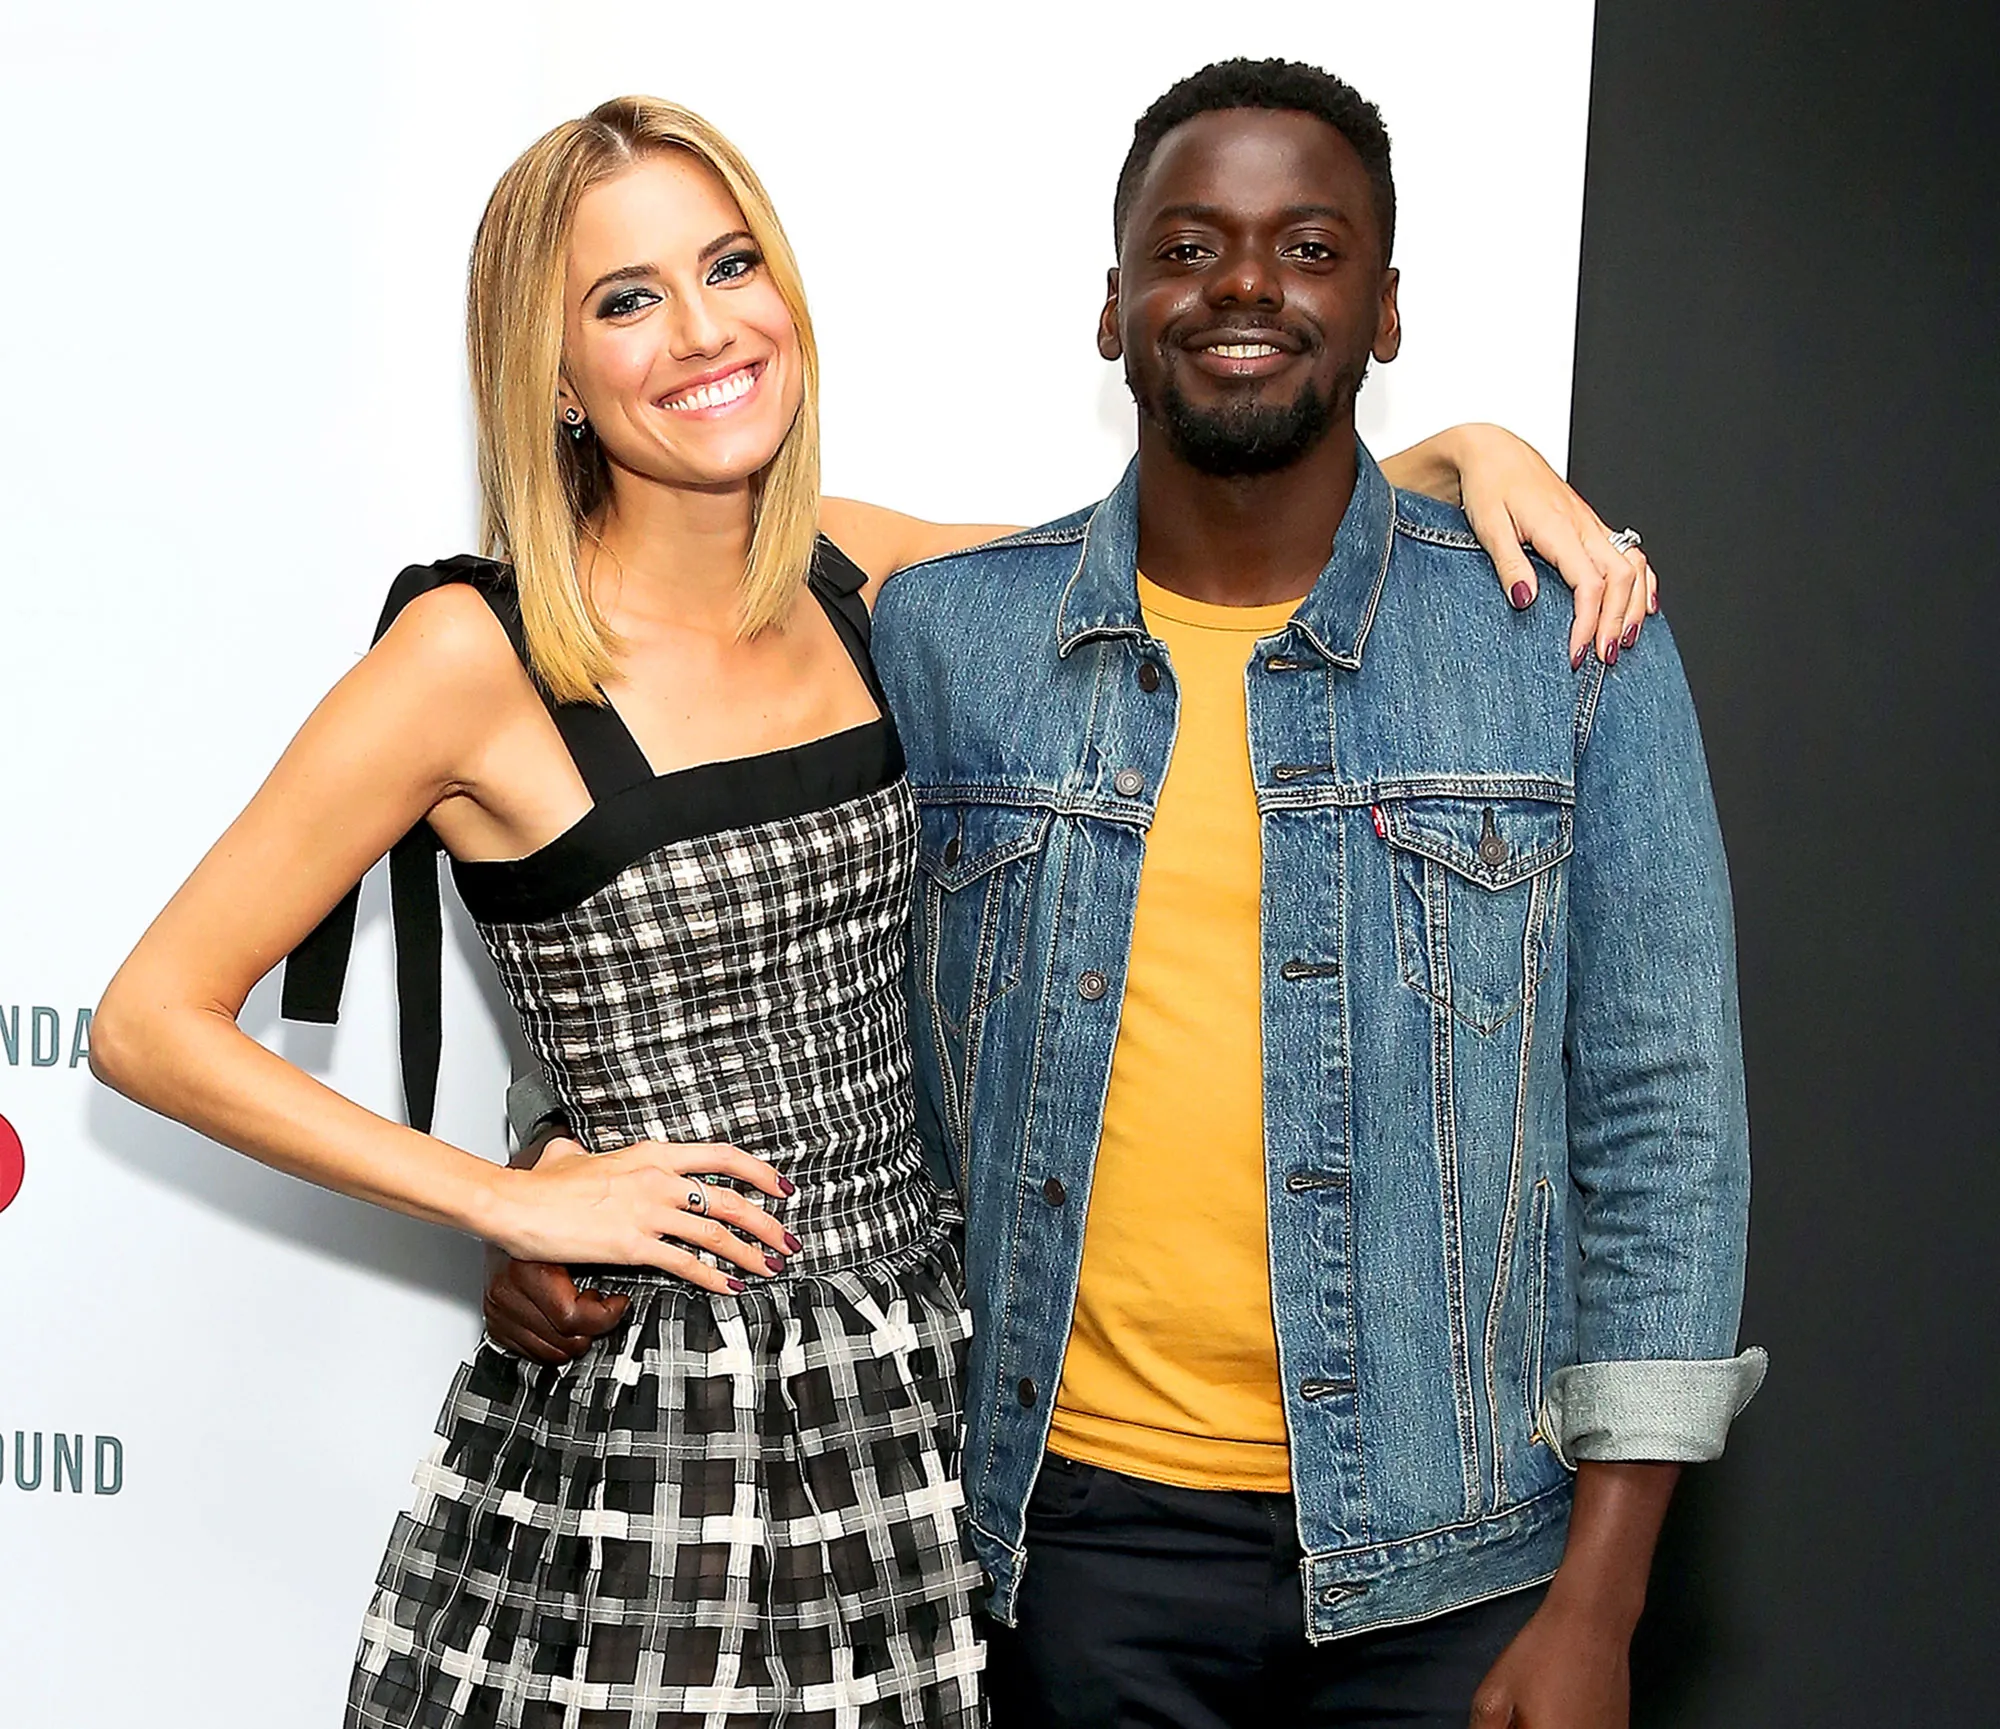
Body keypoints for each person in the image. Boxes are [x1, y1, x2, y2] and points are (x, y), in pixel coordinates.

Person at [92, 90, 1653, 1729]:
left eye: (729, 264)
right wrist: (512, 1200)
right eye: (627, 300)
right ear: (548, 372)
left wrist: (1462, 450)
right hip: (664, 1437)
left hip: (924, 1405)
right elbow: (149, 1022)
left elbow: (1199, 551)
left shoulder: (860, 576)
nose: (704, 330)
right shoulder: (467, 660)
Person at [492, 60, 1761, 1729]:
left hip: (1464, 1566)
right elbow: (730, 902)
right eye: (1189, 245)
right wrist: (549, 1170)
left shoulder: (1565, 639)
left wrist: (1603, 1600)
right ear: (1110, 309)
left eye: (1310, 248)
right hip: (1058, 1547)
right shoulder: (957, 636)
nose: (1244, 284)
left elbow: (1667, 1126)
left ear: (1388, 309)